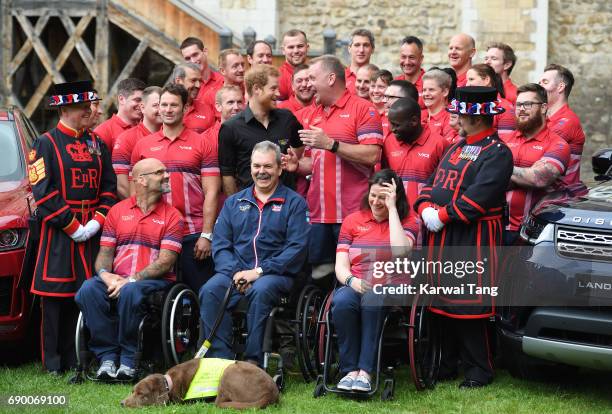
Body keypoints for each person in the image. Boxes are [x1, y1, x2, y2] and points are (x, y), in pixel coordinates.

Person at [414, 86, 513, 388]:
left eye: (461, 113)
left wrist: (441, 216)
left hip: (474, 236)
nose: (456, 117)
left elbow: (478, 199)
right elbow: (432, 184)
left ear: (477, 117)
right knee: (441, 302)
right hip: (441, 238)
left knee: (469, 303)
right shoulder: (456, 147)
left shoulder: (498, 153)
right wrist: (425, 207)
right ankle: (446, 363)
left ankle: (479, 370)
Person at [29, 81, 117, 374]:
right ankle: (53, 362)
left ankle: (81, 356)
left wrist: (97, 221)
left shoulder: (96, 143)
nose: (88, 112)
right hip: (58, 232)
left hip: (92, 231)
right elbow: (43, 191)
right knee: (54, 299)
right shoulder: (45, 142)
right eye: (83, 108)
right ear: (65, 109)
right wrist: (72, 225)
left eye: (89, 107)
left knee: (87, 294)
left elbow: (109, 187)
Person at [199, 141, 310, 365]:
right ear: (250, 168)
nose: (262, 172)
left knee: (261, 291)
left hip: (275, 275)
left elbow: (296, 249)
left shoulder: (295, 203)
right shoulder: (233, 203)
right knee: (210, 290)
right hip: (234, 273)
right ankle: (218, 361)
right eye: (257, 166)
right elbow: (221, 245)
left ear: (280, 169)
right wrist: (237, 273)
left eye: (268, 166)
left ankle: (253, 361)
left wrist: (258, 272)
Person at [76, 158, 184, 380]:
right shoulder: (117, 211)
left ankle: (128, 360)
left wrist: (131, 280)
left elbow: (165, 261)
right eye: (159, 172)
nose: (166, 175)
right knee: (89, 288)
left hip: (155, 282)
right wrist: (107, 277)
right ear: (141, 180)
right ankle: (107, 357)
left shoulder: (173, 216)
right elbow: (104, 256)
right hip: (118, 280)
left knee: (130, 291)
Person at [285, 55, 383, 279]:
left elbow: (372, 155)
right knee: (320, 277)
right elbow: (315, 163)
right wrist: (297, 165)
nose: (307, 84)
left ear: (331, 78)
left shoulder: (363, 109)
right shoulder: (312, 114)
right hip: (319, 214)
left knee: (356, 276)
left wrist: (331, 144)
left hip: (353, 214)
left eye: (312, 78)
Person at [130, 84, 221, 292]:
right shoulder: (143, 145)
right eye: (164, 105)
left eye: (173, 105)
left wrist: (207, 234)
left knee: (202, 293)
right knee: (153, 296)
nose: (168, 110)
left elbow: (212, 192)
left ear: (185, 108)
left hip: (193, 232)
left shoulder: (203, 143)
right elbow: (135, 193)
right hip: (155, 232)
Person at [333, 169, 417, 392]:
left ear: (395, 197)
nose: (376, 201)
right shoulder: (353, 220)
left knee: (373, 298)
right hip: (357, 281)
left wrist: (392, 210)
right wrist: (351, 281)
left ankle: (365, 372)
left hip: (393, 287)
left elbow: (400, 251)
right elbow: (341, 265)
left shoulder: (409, 220)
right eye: (373, 195)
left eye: (383, 197)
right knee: (342, 301)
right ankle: (349, 371)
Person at [218, 64, 303, 195]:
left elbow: (299, 146)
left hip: (286, 204)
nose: (278, 93)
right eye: (273, 88)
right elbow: (227, 174)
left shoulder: (287, 118)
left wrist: (292, 162)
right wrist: (237, 206)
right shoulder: (231, 128)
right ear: (257, 89)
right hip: (250, 208)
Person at [502, 83, 570, 245]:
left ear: (543, 108)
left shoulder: (558, 145)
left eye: (528, 104)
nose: (521, 109)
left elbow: (538, 178)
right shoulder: (505, 140)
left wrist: (499, 170)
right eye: (518, 104)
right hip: (498, 227)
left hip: (533, 231)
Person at [383, 98, 447, 217]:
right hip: (396, 216)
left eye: (396, 125)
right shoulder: (388, 142)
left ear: (413, 121)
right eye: (391, 123)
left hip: (427, 216)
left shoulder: (439, 144)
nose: (392, 129)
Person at [112, 86, 162, 199]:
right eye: (156, 105)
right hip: (140, 209)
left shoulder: (170, 136)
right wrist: (139, 211)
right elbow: (122, 186)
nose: (161, 110)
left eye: (163, 105)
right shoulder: (126, 139)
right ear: (142, 108)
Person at [539, 64, 585, 186]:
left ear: (560, 87)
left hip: (561, 197)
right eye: (539, 82)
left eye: (545, 82)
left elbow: (535, 155)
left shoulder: (567, 121)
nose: (539, 86)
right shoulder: (546, 118)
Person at [466, 64, 516, 139]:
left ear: (487, 80)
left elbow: (506, 142)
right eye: (467, 80)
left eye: (471, 79)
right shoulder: (468, 105)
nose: (467, 85)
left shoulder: (505, 107)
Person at [94, 78, 146, 150]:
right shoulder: (103, 131)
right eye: (137, 100)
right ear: (121, 99)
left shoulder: (146, 128)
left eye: (144, 101)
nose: (142, 105)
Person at [199, 49, 246, 119]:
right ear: (223, 71)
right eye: (235, 66)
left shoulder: (252, 89)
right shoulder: (211, 95)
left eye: (242, 65)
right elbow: (206, 125)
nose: (241, 69)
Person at [172, 62, 215, 133]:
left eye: (200, 81)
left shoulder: (207, 111)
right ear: (178, 81)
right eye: (193, 80)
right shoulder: (162, 106)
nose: (198, 85)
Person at [180, 36, 224, 102]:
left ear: (205, 52)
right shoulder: (184, 87)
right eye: (188, 58)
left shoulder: (223, 81)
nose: (193, 61)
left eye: (195, 55)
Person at [422, 69, 459, 144]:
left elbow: (446, 148)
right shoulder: (418, 114)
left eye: (431, 90)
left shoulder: (451, 117)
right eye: (424, 90)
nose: (426, 94)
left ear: (445, 92)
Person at [278, 29, 310, 101]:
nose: (296, 51)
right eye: (291, 47)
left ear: (307, 48)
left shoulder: (316, 73)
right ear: (283, 50)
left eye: (300, 46)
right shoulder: (277, 77)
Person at [395, 36, 426, 108]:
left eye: (411, 57)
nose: (407, 62)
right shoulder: (395, 83)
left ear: (421, 59)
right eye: (403, 57)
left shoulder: (430, 84)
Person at [345, 29, 376, 95]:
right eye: (357, 45)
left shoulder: (378, 78)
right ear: (349, 49)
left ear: (372, 49)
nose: (361, 50)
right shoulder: (341, 78)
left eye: (366, 45)